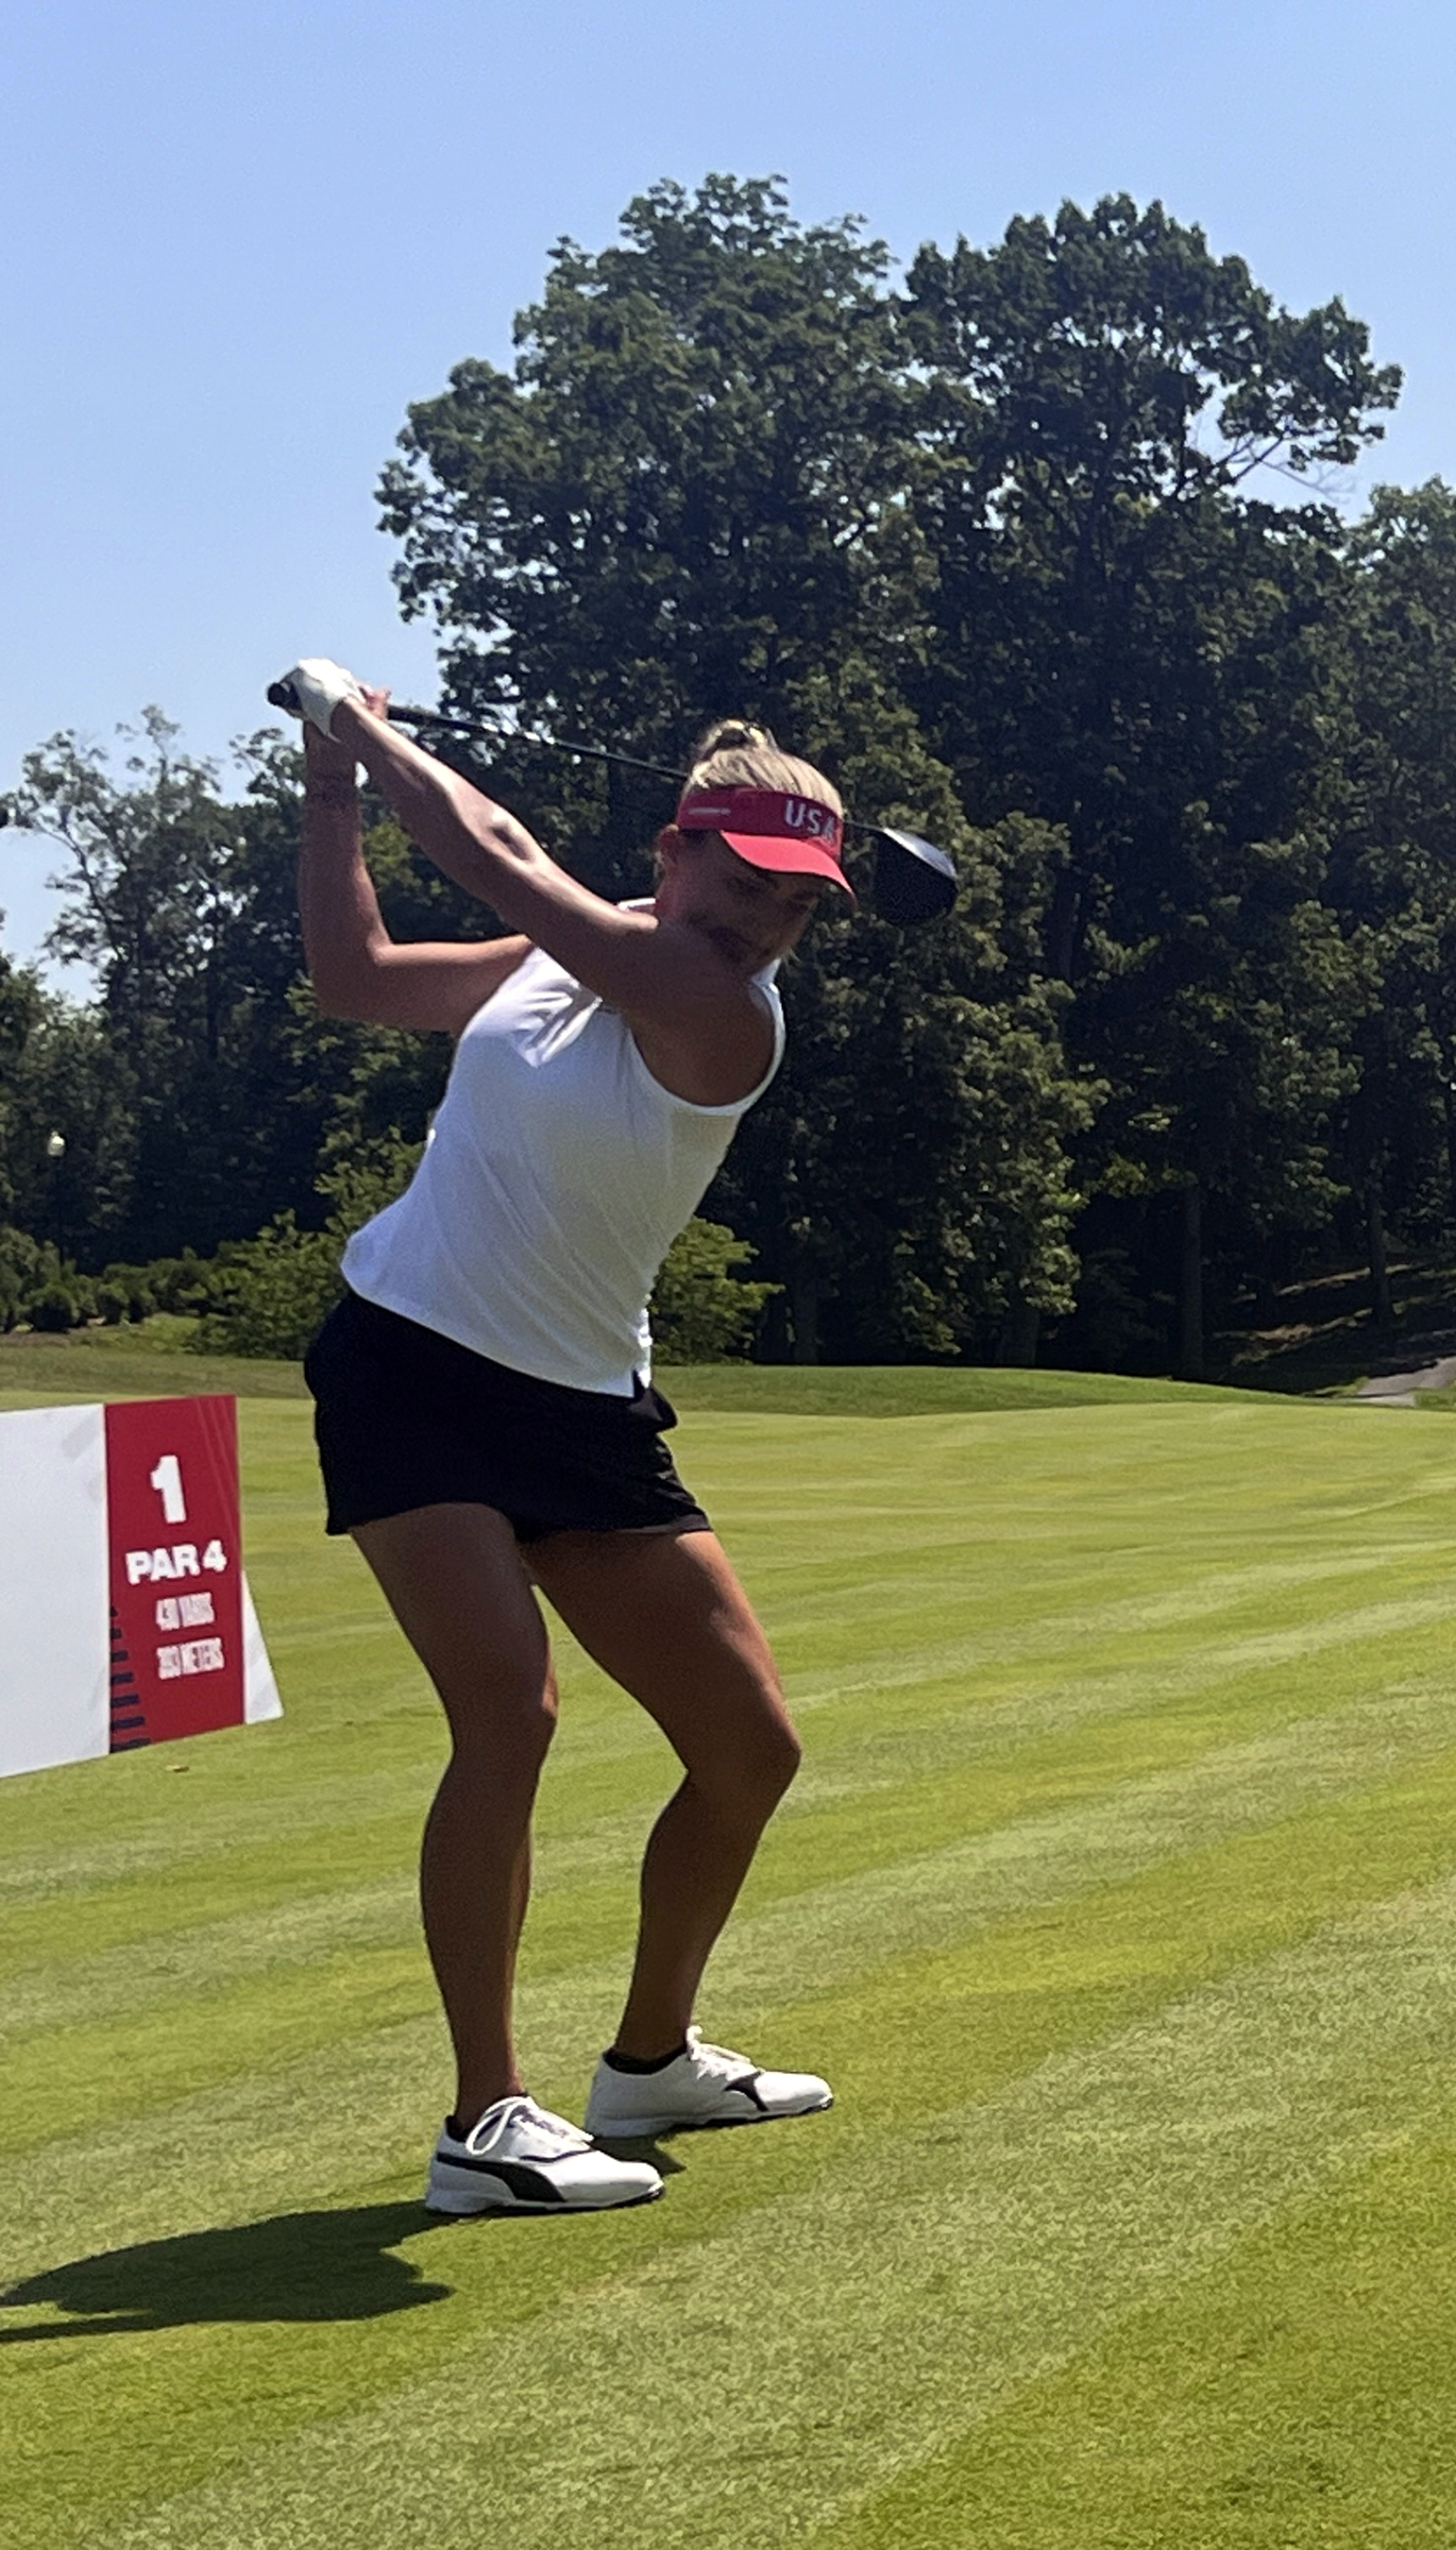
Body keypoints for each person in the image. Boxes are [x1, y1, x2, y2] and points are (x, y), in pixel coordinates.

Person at [280, 656, 839, 2215]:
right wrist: (331, 788)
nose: (766, 922)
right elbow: (356, 977)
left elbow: (506, 853)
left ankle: (649, 2060)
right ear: (676, 849)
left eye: (798, 905)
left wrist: (361, 734)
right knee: (509, 1716)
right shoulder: (554, 963)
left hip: (581, 1405)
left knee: (751, 1750)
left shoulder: (722, 1012)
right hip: (409, 1363)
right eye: (746, 882)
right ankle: (486, 2121)